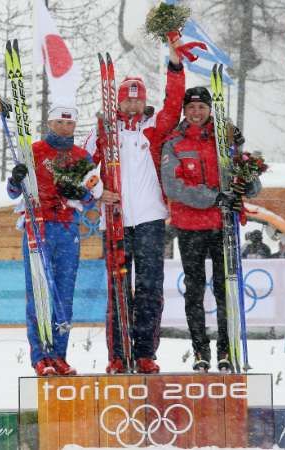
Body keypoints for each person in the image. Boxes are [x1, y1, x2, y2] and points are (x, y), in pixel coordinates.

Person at [84, 37, 185, 374]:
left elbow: (173, 104)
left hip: (151, 220)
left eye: (137, 101)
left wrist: (174, 63)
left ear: (143, 103)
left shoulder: (154, 129)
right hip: (115, 219)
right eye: (126, 101)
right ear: (117, 102)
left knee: (150, 288)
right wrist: (99, 192)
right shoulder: (104, 130)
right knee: (117, 289)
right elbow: (82, 166)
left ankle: (144, 353)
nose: (131, 107)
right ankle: (118, 353)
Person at [161, 86, 261, 372]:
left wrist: (239, 152)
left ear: (209, 110)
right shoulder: (175, 143)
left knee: (224, 288)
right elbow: (173, 186)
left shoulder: (224, 140)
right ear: (185, 111)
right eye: (191, 108)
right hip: (190, 227)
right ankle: (200, 350)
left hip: (222, 226)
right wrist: (214, 197)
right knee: (194, 290)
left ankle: (225, 349)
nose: (196, 113)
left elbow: (251, 186)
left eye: (201, 108)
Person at [7, 105, 97, 376]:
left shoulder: (82, 156)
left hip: (68, 228)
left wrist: (79, 193)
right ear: (49, 124)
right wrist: (15, 179)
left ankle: (59, 354)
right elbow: (12, 192)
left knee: (64, 294)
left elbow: (93, 193)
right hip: (38, 225)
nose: (64, 128)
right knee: (38, 291)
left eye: (69, 124)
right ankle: (40, 355)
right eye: (59, 123)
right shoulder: (33, 151)